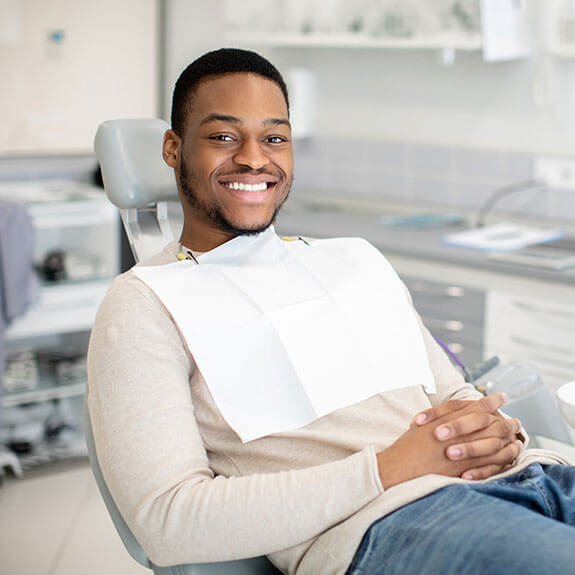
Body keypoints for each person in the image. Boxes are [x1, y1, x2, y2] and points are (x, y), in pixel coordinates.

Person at [87, 48, 574, 575]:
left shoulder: (354, 260)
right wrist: (388, 469)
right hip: (402, 525)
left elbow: (452, 393)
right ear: (173, 148)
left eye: (274, 138)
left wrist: (500, 431)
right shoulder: (145, 303)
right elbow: (167, 521)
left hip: (537, 478)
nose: (254, 158)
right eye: (224, 137)